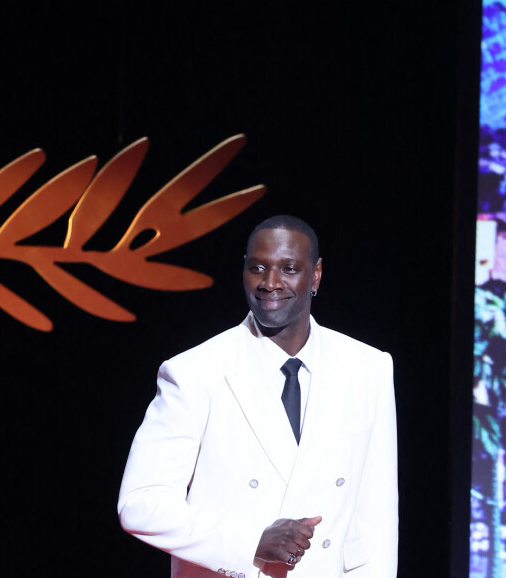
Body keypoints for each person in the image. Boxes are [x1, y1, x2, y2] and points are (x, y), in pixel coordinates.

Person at [118, 215, 398, 578]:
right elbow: (140, 504)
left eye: (289, 268)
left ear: (315, 275)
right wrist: (250, 542)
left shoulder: (367, 368)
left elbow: (377, 515)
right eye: (258, 268)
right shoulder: (196, 371)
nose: (270, 283)